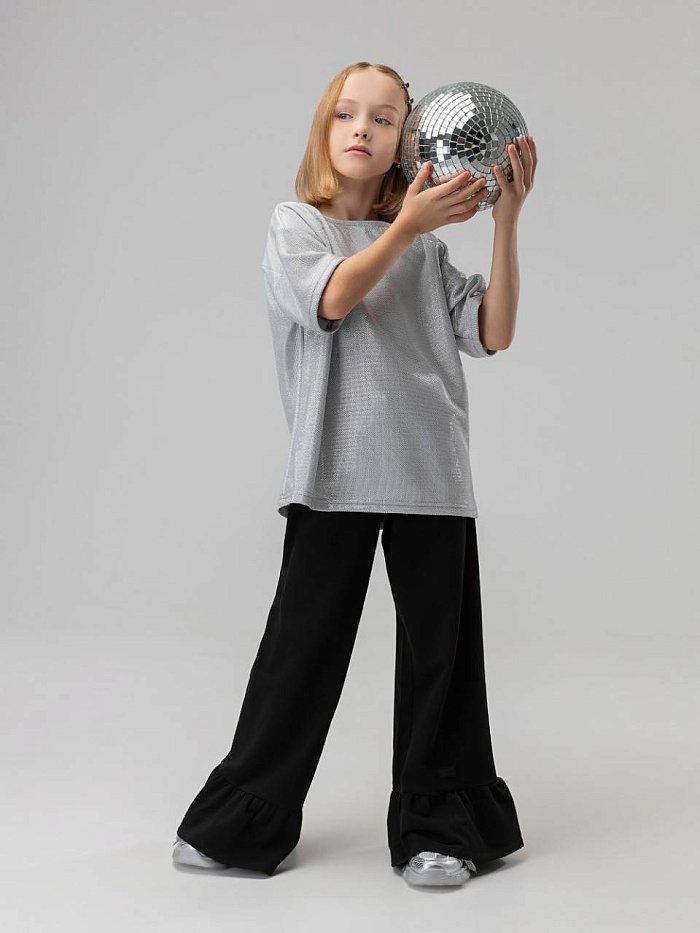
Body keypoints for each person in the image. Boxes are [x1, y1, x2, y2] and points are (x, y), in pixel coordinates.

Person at [172, 61, 536, 887]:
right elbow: (331, 300)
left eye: (383, 117)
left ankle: (440, 825)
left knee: (442, 662)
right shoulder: (295, 226)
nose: (362, 128)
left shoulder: (427, 249)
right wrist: (404, 227)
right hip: (334, 476)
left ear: (409, 141)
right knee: (299, 653)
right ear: (324, 128)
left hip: (432, 475)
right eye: (345, 113)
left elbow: (494, 332)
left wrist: (507, 219)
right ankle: (242, 819)